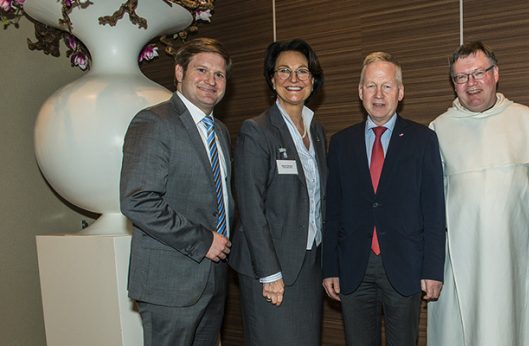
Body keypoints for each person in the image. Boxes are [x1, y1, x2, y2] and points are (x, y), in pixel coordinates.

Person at [426, 41, 529, 346]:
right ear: (453, 83)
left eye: (478, 73)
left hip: (519, 260)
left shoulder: (525, 119)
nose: (471, 84)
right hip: (460, 264)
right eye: (461, 77)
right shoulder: (439, 129)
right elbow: (431, 206)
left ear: (496, 73)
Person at [322, 52, 446, 346]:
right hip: (354, 267)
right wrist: (330, 267)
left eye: (387, 86)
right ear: (360, 91)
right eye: (371, 86)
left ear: (400, 92)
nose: (379, 95)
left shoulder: (423, 139)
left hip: (405, 266)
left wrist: (433, 269)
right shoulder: (341, 142)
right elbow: (332, 209)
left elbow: (434, 209)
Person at [120, 37, 233, 345]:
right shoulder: (154, 122)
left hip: (213, 278)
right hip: (169, 284)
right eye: (202, 70)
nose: (211, 80)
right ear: (180, 73)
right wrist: (203, 240)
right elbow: (138, 200)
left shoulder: (219, 131)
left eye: (219, 74)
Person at [227, 39, 326, 345]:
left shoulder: (316, 129)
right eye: (284, 70)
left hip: (308, 261)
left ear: (313, 80)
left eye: (302, 71)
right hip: (271, 266)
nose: (293, 79)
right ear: (272, 79)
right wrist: (269, 273)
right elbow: (251, 208)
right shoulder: (256, 131)